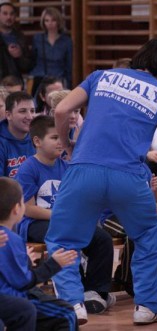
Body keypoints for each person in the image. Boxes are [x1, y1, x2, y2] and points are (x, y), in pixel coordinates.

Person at [43, 38, 157, 325]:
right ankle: (146, 308)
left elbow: (62, 110)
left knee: (64, 239)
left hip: (84, 169)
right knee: (148, 237)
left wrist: (67, 144)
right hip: (129, 176)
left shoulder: (101, 76)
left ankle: (72, 304)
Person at [15, 115, 115, 322]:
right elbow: (27, 209)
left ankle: (95, 292)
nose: (61, 142)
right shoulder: (28, 168)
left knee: (102, 239)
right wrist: (60, 215)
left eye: (62, 136)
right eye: (54, 138)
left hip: (64, 220)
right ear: (37, 142)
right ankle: (72, 296)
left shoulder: (66, 166)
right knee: (65, 235)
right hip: (36, 223)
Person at [0, 177, 78, 331]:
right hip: (13, 297)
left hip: (10, 296)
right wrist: (53, 264)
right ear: (17, 209)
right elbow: (24, 282)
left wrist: (25, 260)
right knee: (66, 313)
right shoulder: (10, 238)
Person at [101, 172, 157, 298]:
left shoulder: (142, 168)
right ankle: (127, 278)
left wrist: (155, 190)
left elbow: (154, 200)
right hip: (113, 216)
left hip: (138, 214)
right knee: (137, 229)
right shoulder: (115, 167)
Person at [30, 7, 73, 94]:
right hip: (40, 79)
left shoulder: (66, 41)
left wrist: (68, 85)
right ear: (43, 22)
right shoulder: (37, 38)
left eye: (53, 20)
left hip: (58, 80)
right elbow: (32, 59)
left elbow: (68, 65)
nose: (50, 23)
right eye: (47, 20)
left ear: (58, 21)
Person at [0, 91, 35, 177]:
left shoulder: (39, 136)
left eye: (32, 111)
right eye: (23, 111)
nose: (30, 117)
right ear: (8, 115)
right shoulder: (2, 142)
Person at [0, 2, 33, 80]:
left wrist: (19, 56)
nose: (9, 17)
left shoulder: (20, 37)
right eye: (5, 13)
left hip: (15, 83)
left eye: (12, 14)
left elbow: (27, 67)